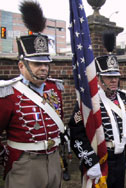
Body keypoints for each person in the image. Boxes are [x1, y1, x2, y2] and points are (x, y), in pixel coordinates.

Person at [0, 1, 65, 187]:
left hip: (53, 160)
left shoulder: (55, 89)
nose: (44, 68)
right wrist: (9, 157)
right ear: (22, 65)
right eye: (37, 64)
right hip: (25, 164)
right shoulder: (8, 93)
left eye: (46, 63)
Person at [68, 32, 126, 188]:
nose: (114, 80)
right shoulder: (89, 102)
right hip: (100, 156)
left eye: (116, 75)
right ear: (99, 78)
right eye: (109, 76)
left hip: (121, 157)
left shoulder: (125, 98)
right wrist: (89, 160)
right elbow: (76, 133)